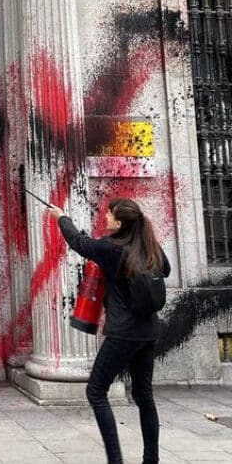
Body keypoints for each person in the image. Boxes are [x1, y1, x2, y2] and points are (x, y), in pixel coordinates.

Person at [48, 198, 170, 464]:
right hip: (148, 331)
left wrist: (61, 218)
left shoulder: (113, 248)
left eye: (109, 215)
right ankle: (152, 460)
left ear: (120, 222)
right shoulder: (147, 245)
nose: (105, 218)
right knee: (143, 395)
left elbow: (80, 244)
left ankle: (115, 461)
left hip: (123, 333)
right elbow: (166, 269)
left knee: (96, 391)